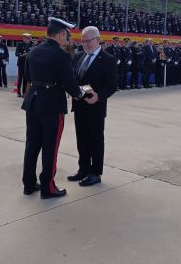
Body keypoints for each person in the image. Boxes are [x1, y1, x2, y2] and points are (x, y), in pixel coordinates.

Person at [21, 17, 91, 199]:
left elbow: (28, 75)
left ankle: (28, 184)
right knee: (50, 148)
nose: (68, 39)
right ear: (60, 34)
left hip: (33, 101)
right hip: (51, 104)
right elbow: (69, 83)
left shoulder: (34, 51)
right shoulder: (61, 56)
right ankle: (48, 188)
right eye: (67, 36)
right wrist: (80, 93)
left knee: (32, 144)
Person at [68, 26, 117, 187]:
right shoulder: (79, 56)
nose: (86, 44)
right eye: (83, 41)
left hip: (96, 108)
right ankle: (83, 169)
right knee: (81, 139)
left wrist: (98, 96)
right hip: (79, 105)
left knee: (95, 140)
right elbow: (74, 78)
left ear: (98, 39)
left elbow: (112, 86)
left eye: (89, 40)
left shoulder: (108, 59)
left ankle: (95, 173)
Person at [15, 33, 33, 97]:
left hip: (28, 64)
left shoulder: (32, 45)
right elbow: (16, 53)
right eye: (27, 38)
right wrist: (22, 54)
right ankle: (18, 92)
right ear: (24, 38)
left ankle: (24, 92)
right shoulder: (20, 44)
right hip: (21, 63)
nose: (28, 39)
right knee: (20, 78)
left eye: (29, 38)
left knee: (26, 78)